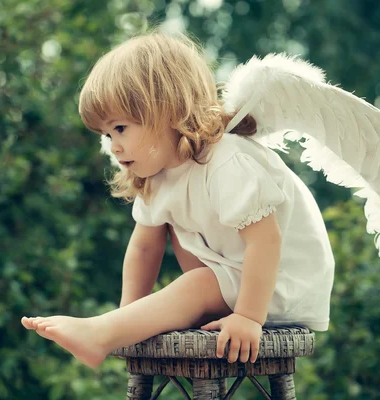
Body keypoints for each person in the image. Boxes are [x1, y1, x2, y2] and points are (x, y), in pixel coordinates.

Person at [20, 31, 353, 369]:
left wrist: (249, 318)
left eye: (120, 128)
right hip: (234, 274)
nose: (113, 146)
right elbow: (144, 249)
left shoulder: (226, 160)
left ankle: (99, 335)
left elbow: (266, 241)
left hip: (281, 281)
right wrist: (129, 316)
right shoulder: (158, 174)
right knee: (169, 233)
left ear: (166, 111)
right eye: (107, 135)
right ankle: (113, 327)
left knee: (197, 283)